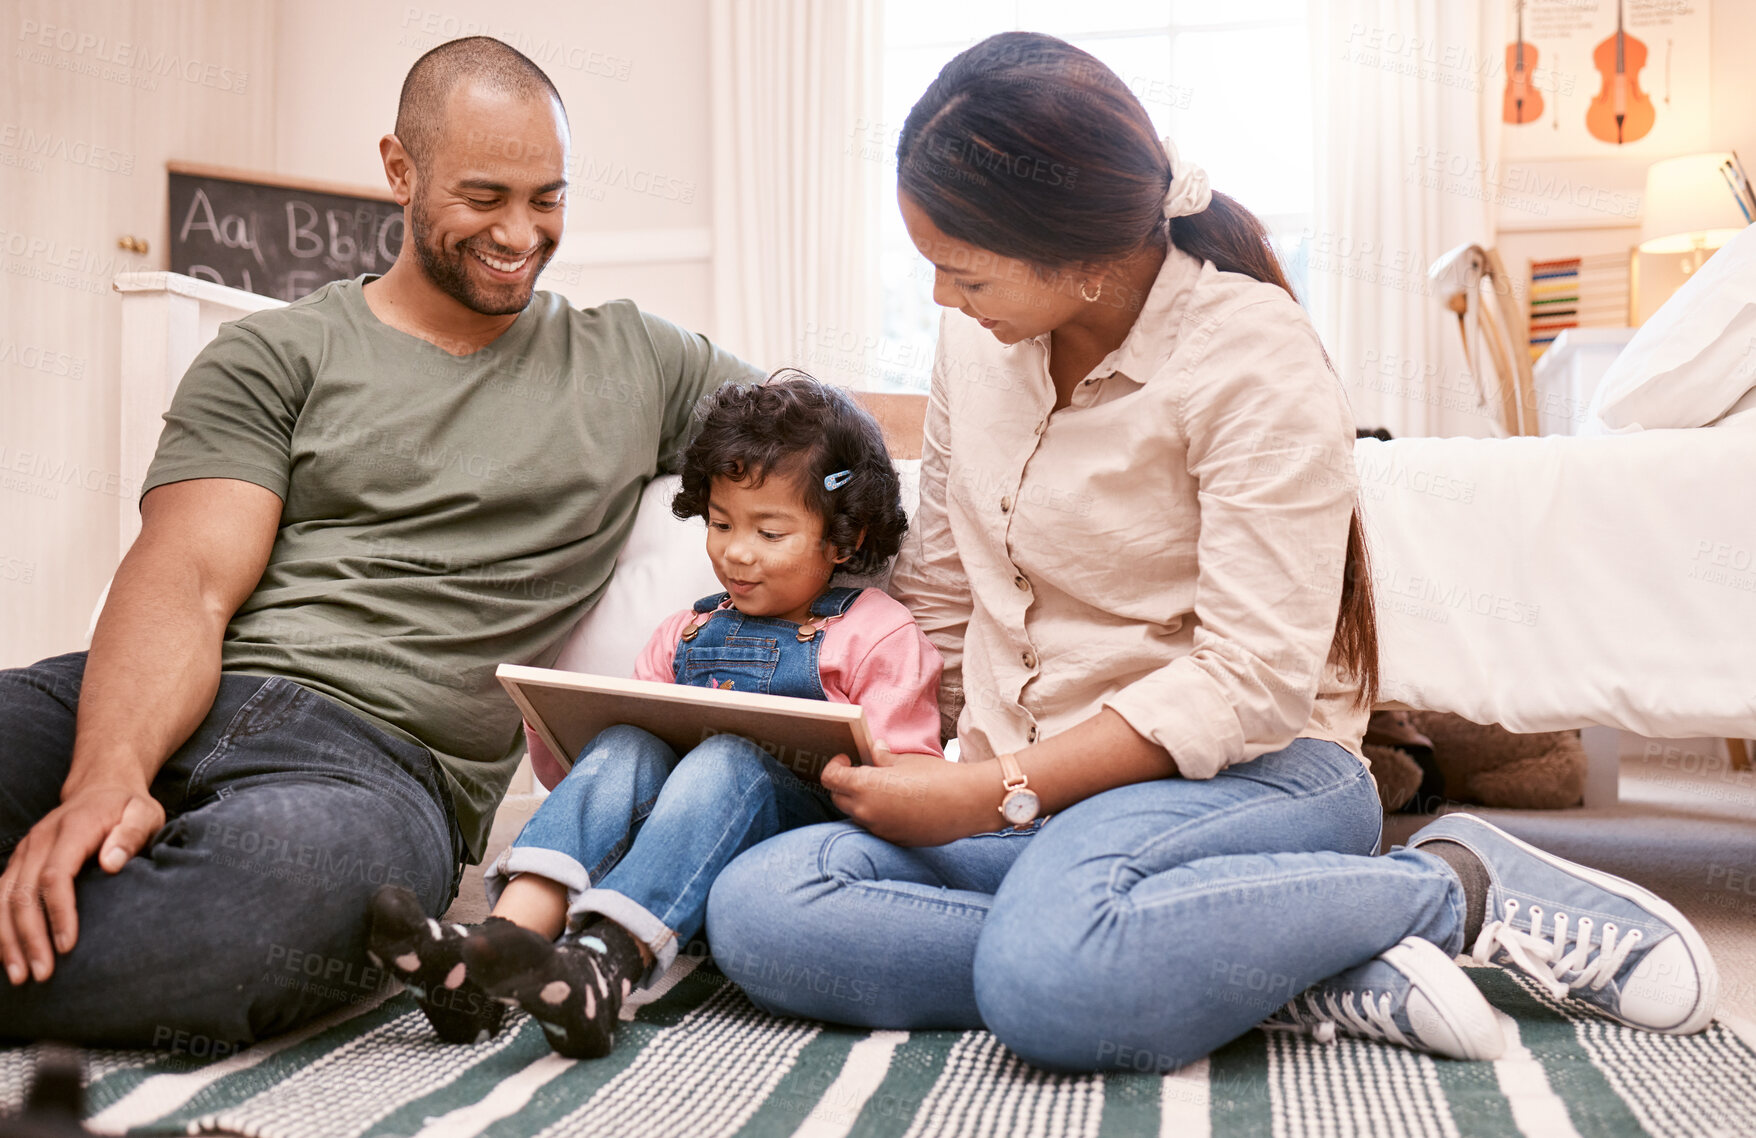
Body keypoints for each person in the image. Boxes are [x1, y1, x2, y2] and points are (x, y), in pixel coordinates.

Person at [705, 32, 1719, 1073]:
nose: (941, 302)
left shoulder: (1250, 355)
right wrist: (922, 755)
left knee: (1051, 980)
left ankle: (1450, 885)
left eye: (962, 273)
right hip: (1016, 784)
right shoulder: (980, 341)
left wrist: (995, 788)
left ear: (1082, 258)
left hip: (1251, 778)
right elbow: (948, 583)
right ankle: (1276, 961)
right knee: (764, 908)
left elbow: (1248, 681)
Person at [0, 37, 763, 1048]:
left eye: (548, 198)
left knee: (243, 921)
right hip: (169, 684)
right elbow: (185, 580)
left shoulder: (638, 362)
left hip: (378, 764)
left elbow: (821, 451)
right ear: (399, 171)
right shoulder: (275, 351)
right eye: (484, 195)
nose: (520, 232)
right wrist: (109, 773)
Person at [367, 375, 941, 1058]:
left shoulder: (877, 634)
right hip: (666, 852)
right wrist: (553, 723)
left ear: (844, 540)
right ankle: (492, 958)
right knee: (627, 744)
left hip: (785, 859)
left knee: (727, 758)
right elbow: (592, 777)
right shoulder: (686, 631)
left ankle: (603, 968)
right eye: (722, 523)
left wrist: (862, 776)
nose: (737, 551)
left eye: (770, 531)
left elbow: (915, 784)